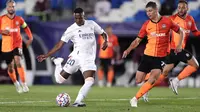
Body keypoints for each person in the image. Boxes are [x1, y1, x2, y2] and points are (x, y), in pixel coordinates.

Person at [37, 8, 108, 107]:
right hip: (76, 57)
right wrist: (47, 55)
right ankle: (58, 63)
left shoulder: (91, 24)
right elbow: (59, 45)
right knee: (59, 80)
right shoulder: (71, 29)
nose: (78, 20)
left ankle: (78, 101)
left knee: (89, 81)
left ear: (84, 16)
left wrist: (106, 41)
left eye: (80, 18)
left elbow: (103, 33)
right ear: (74, 17)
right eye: (76, 18)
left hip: (88, 59)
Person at [122, 1, 184, 107]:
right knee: (138, 80)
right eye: (147, 11)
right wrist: (128, 50)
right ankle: (146, 87)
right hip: (147, 55)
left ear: (156, 10)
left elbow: (181, 31)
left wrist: (179, 45)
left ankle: (134, 99)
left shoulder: (167, 21)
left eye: (150, 11)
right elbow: (137, 40)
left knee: (154, 77)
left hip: (160, 57)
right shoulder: (146, 25)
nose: (148, 13)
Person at [143, 0, 200, 99]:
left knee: (163, 73)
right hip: (174, 49)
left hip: (178, 51)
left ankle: (146, 87)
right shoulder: (172, 18)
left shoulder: (190, 19)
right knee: (195, 65)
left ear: (187, 8)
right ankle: (175, 81)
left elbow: (195, 32)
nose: (181, 9)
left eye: (183, 7)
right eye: (179, 7)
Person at [0, 0, 33, 93]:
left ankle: (24, 83)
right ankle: (16, 83)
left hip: (17, 44)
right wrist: (2, 32)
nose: (11, 8)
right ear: (7, 8)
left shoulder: (19, 19)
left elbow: (26, 27)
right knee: (10, 67)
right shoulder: (2, 19)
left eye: (13, 6)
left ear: (15, 8)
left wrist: (30, 37)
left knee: (18, 61)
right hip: (6, 47)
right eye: (10, 6)